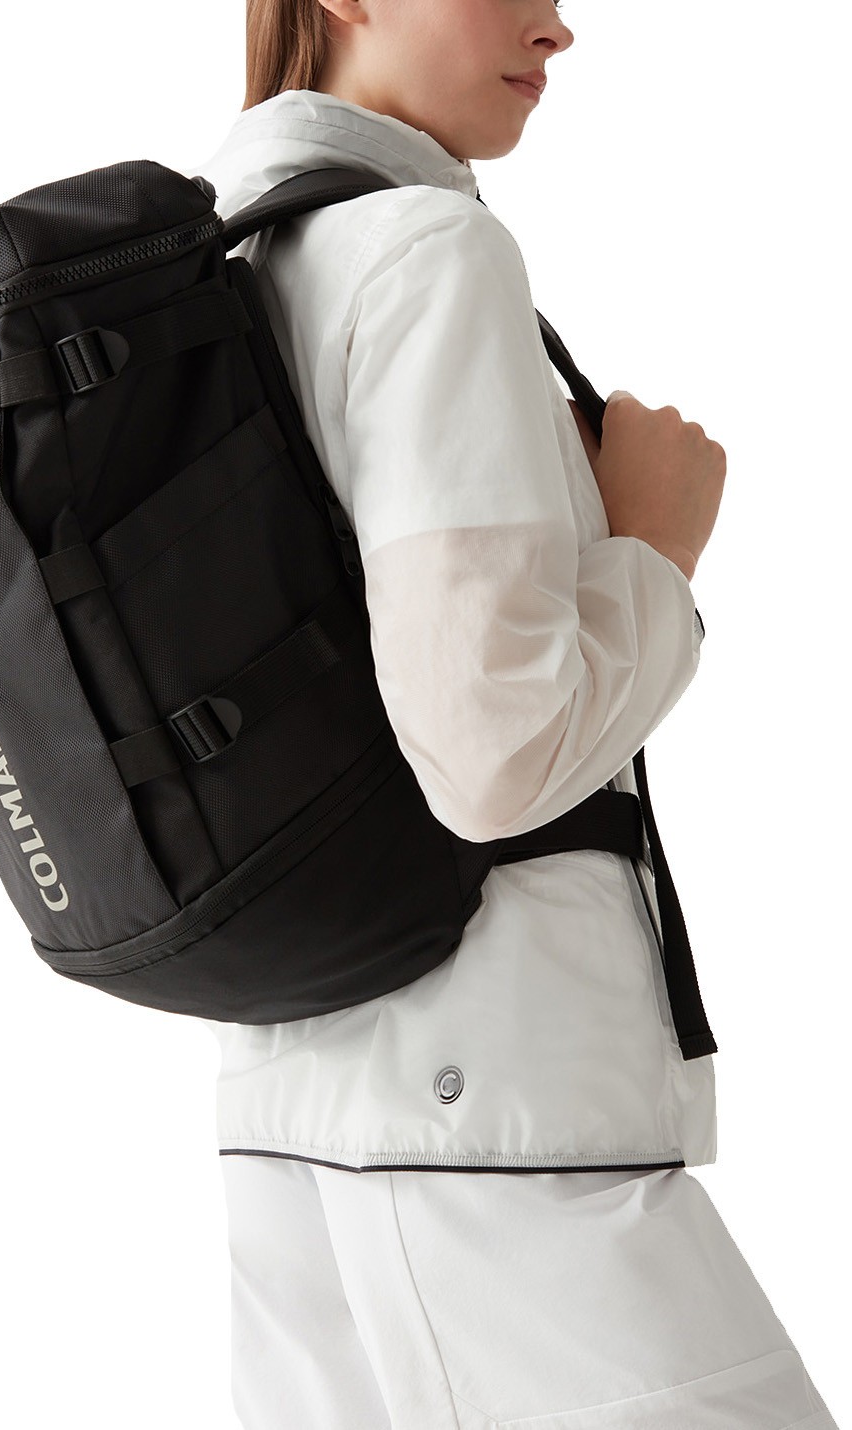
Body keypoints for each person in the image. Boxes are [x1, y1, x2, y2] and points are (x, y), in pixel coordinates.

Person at [185, 2, 840, 1425]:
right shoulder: (423, 252)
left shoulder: (223, 260)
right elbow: (492, 752)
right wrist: (653, 547)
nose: (557, 27)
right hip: (497, 1120)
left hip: (295, 1112)